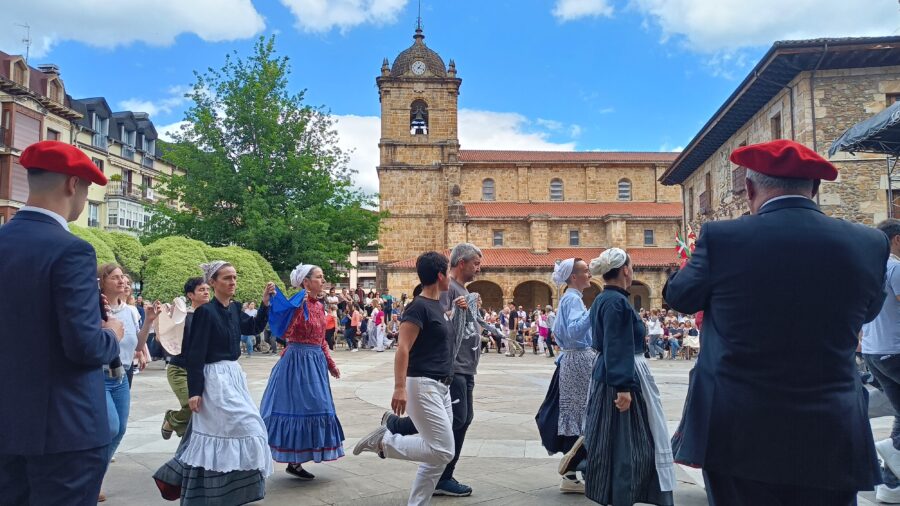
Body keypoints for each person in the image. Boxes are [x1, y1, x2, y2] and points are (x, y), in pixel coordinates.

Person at [664, 139, 887, 505]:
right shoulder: (869, 242)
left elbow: (680, 297)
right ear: (815, 188)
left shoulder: (722, 238)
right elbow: (869, 311)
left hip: (739, 429)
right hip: (832, 425)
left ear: (751, 189)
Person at [0, 141, 124, 505]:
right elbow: (84, 347)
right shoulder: (72, 249)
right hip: (65, 429)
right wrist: (112, 334)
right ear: (73, 184)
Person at [154, 262, 275, 504]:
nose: (233, 282)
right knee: (234, 428)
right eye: (227, 278)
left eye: (234, 277)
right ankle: (208, 491)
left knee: (242, 428)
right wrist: (195, 391)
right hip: (214, 378)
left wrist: (264, 304)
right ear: (213, 282)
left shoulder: (235, 308)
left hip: (233, 375)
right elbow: (196, 353)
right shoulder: (205, 312)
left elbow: (253, 327)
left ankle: (231, 491)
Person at [353, 252, 457, 505]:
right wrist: (399, 387)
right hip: (422, 384)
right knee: (444, 451)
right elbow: (403, 348)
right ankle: (385, 441)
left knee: (434, 459)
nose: (451, 277)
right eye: (448, 272)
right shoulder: (418, 306)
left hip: (441, 386)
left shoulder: (438, 306)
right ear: (440, 275)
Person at [583, 249, 675, 505]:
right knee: (629, 441)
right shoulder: (616, 302)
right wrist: (623, 387)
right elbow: (617, 344)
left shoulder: (605, 299)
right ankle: (625, 492)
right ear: (625, 270)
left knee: (616, 437)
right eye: (631, 266)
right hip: (622, 373)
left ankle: (615, 491)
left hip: (611, 371)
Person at [260, 264, 344, 480]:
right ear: (306, 282)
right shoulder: (299, 303)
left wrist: (330, 364)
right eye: (319, 277)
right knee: (297, 407)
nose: (323, 281)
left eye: (322, 277)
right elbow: (285, 332)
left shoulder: (320, 306)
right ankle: (292, 460)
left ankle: (296, 460)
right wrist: (292, 307)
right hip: (297, 361)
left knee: (319, 406)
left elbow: (321, 339)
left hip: (315, 362)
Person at [549, 258, 596, 494]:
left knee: (575, 412)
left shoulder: (569, 298)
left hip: (573, 359)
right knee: (580, 413)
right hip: (578, 359)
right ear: (574, 277)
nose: (590, 274)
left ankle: (574, 470)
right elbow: (575, 330)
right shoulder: (573, 299)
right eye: (586, 271)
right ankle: (573, 469)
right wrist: (594, 311)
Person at [862, 219, 900, 504]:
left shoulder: (871, 268)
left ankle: (890, 484)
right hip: (895, 349)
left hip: (874, 351)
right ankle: (893, 447)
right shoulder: (896, 268)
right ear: (897, 240)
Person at [159, 277, 210, 440]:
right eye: (201, 290)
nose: (206, 292)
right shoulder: (182, 316)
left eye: (207, 289)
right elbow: (163, 337)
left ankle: (191, 442)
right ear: (190, 295)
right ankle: (171, 419)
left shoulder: (212, 315)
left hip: (202, 370)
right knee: (191, 406)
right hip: (179, 369)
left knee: (206, 409)